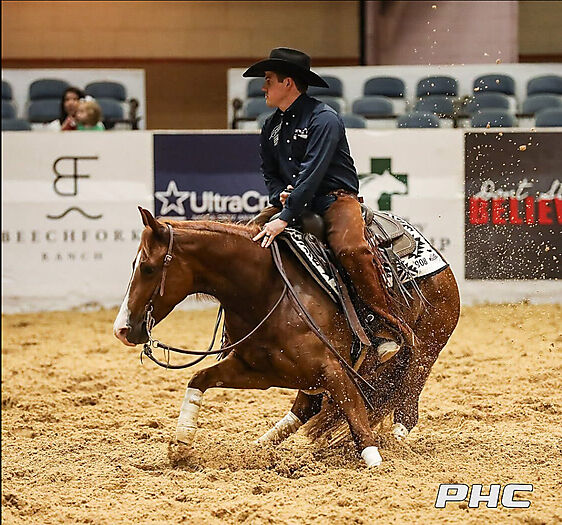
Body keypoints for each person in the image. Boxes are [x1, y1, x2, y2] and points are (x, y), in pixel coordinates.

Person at [244, 47, 412, 358]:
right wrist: (280, 196)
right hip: (295, 201)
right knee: (246, 239)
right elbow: (270, 173)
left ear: (288, 83)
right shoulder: (271, 127)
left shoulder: (324, 119)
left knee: (351, 249)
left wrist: (285, 214)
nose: (263, 86)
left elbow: (314, 171)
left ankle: (386, 328)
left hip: (335, 200)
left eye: (268, 79)